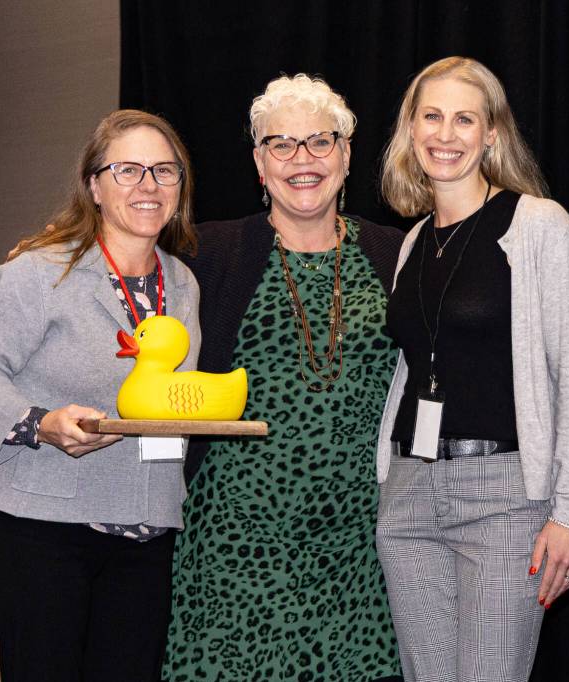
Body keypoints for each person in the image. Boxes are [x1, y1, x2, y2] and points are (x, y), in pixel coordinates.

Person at [163, 74, 403, 681]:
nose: (303, 160)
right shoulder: (206, 254)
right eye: (282, 145)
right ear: (259, 164)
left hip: (361, 552)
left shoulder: (397, 255)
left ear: (346, 155)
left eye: (320, 142)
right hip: (234, 548)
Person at [0, 110, 200, 681]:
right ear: (94, 185)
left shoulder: (183, 283)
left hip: (146, 533)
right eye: (128, 170)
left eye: (164, 171)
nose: (148, 186)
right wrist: (39, 423)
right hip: (43, 532)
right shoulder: (41, 272)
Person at [376, 57, 569, 682]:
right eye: (432, 116)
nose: (445, 135)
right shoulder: (412, 240)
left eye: (464, 119)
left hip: (506, 499)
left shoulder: (538, 226)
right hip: (408, 496)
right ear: (410, 128)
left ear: (491, 135)